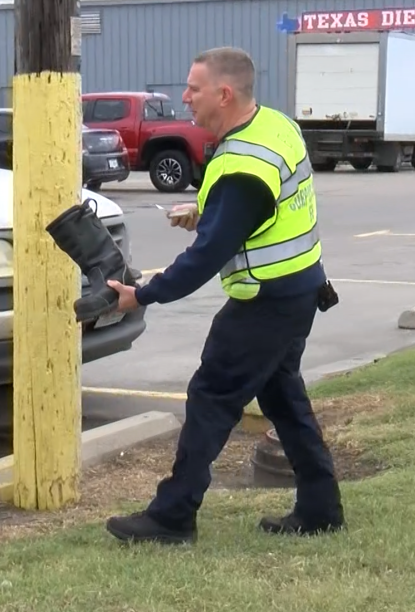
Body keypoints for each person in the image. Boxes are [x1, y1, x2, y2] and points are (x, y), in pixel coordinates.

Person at [103, 46, 345, 544]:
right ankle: (321, 507)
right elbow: (260, 206)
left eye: (194, 88)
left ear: (224, 93)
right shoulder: (273, 126)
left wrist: (141, 295)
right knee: (283, 396)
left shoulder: (241, 166)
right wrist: (208, 213)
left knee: (211, 397)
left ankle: (172, 516)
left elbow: (205, 257)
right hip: (301, 288)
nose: (185, 98)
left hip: (268, 302)